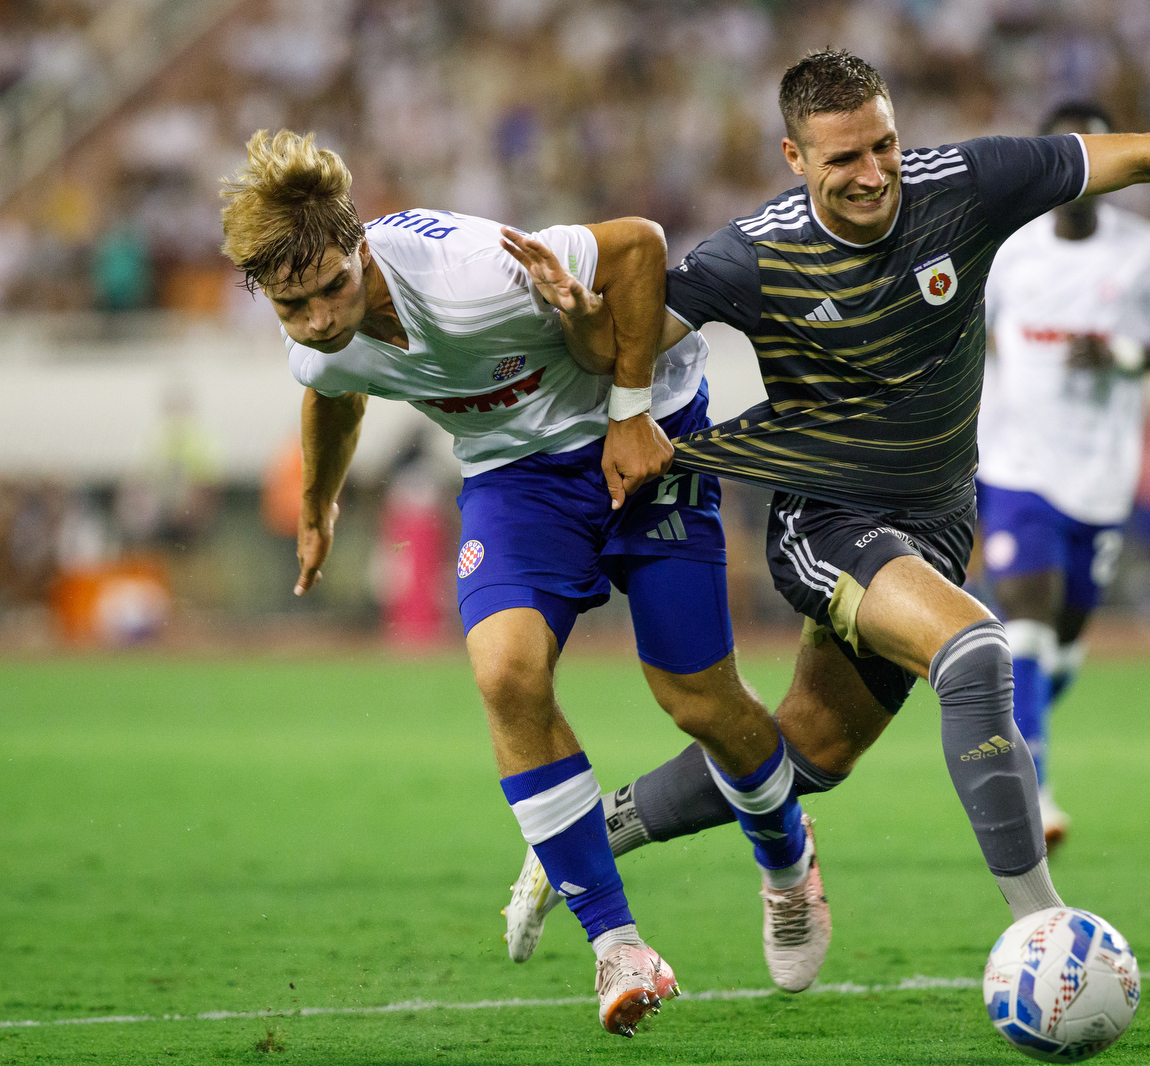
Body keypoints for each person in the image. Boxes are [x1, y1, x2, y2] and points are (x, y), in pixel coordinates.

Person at [509, 48, 1150, 945]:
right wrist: (586, 325)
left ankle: (585, 838)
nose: (874, 175)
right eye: (844, 158)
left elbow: (1142, 153)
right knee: (976, 650)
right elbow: (628, 346)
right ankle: (1046, 931)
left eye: (884, 146)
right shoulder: (752, 257)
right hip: (826, 516)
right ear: (794, 159)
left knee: (808, 756)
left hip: (940, 517)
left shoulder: (967, 185)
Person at [217, 130, 829, 1037]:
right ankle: (617, 946)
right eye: (290, 305)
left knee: (698, 698)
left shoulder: (467, 274)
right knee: (506, 673)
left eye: (331, 289)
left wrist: (626, 410)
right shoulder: (319, 341)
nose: (316, 319)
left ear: (362, 249)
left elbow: (640, 244)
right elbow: (334, 388)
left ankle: (787, 863)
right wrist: (318, 502)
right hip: (517, 479)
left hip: (646, 429)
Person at [974, 101, 1150, 850]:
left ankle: (1006, 715)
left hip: (1101, 477)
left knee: (1059, 646)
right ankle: (1032, 793)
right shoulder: (1007, 249)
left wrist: (1125, 354)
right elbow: (970, 328)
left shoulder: (1148, 253)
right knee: (1030, 619)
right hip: (1016, 466)